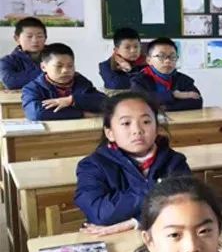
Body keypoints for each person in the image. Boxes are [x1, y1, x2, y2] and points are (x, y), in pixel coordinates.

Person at [74, 92, 190, 233]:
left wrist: (135, 222)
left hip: (164, 236)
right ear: (110, 133)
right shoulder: (92, 166)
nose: (137, 130)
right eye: (126, 123)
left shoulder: (174, 161)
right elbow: (100, 213)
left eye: (146, 122)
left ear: (157, 129)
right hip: (112, 239)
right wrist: (157, 188)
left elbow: (185, 207)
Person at [22, 43, 107, 120]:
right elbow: (36, 113)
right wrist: (82, 114)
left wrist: (72, 100)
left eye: (70, 66)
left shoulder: (81, 82)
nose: (65, 70)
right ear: (43, 67)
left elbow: (104, 102)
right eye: (59, 66)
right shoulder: (32, 88)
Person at [131, 38, 203, 111]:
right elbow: (140, 100)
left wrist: (166, 107)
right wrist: (174, 95)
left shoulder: (183, 80)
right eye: (161, 56)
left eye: (172, 56)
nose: (168, 60)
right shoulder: (139, 80)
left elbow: (197, 101)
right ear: (149, 60)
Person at [0, 16, 46, 89]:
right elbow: (11, 82)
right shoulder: (7, 61)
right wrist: (49, 71)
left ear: (45, 38)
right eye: (29, 36)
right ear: (17, 39)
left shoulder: (57, 55)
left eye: (39, 36)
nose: (35, 40)